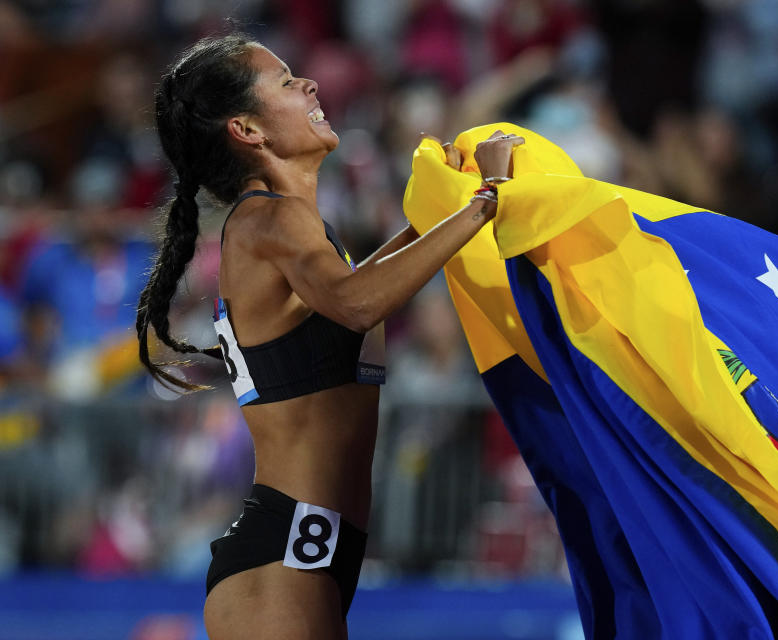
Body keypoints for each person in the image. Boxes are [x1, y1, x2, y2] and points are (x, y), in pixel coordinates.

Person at [134, 33, 523, 640]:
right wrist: (484, 201)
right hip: (283, 564)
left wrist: (436, 215)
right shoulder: (270, 218)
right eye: (286, 81)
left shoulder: (292, 228)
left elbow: (360, 287)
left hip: (303, 555)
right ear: (248, 130)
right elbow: (358, 303)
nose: (309, 84)